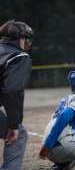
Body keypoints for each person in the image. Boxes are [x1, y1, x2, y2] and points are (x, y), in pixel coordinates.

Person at [0, 20, 34, 170]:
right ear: (21, 38)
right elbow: (12, 90)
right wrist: (14, 124)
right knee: (18, 134)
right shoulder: (19, 56)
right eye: (27, 38)